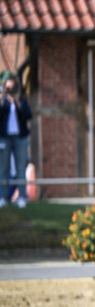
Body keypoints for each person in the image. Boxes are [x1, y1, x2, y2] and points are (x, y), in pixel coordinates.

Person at [0, 73, 32, 208]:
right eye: (8, 88)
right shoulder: (3, 102)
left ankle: (22, 196)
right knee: (3, 168)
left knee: (20, 168)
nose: (11, 91)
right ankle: (2, 197)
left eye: (12, 88)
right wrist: (2, 98)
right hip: (5, 138)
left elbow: (29, 116)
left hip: (20, 138)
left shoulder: (22, 101)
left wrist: (18, 103)